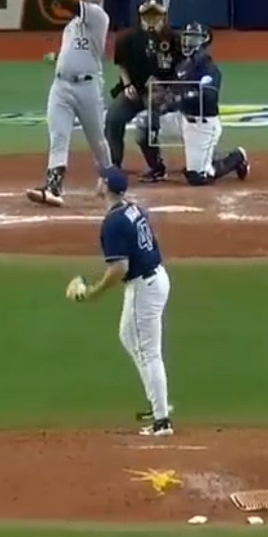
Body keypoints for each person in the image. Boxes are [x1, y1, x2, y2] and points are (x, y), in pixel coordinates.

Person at [66, 167, 174, 437]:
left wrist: (93, 292)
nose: (97, 181)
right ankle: (156, 400)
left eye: (100, 178)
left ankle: (162, 420)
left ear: (106, 186)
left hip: (143, 286)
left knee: (149, 352)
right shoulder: (131, 208)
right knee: (129, 337)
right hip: (156, 278)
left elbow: (119, 269)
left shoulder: (113, 222)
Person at [24, 0, 115, 208]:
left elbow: (64, 0)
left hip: (88, 87)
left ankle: (110, 179)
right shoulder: (71, 26)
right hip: (61, 86)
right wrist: (58, 60)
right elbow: (74, 51)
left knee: (97, 140)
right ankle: (53, 187)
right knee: (59, 135)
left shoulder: (98, 16)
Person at [133, 22, 250, 186]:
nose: (188, 42)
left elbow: (208, 97)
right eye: (187, 37)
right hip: (181, 120)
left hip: (203, 126)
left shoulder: (209, 69)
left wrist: (180, 98)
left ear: (204, 41)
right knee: (144, 122)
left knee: (198, 177)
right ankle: (157, 169)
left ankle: (236, 157)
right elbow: (175, 93)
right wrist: (164, 103)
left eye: (194, 38)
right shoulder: (183, 66)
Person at [105, 0, 182, 178]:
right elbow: (122, 65)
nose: (152, 19)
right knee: (113, 119)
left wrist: (166, 90)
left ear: (163, 17)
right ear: (140, 17)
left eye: (156, 15)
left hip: (162, 94)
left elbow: (181, 68)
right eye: (148, 15)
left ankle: (156, 166)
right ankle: (114, 163)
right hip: (136, 91)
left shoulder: (174, 39)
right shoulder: (127, 39)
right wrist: (127, 85)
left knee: (148, 125)